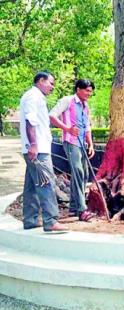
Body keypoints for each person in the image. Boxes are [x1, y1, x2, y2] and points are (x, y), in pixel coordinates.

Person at [19, 71, 68, 232]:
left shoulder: (34, 96)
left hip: (36, 148)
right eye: (51, 83)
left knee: (32, 185)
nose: (52, 87)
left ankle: (30, 219)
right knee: (47, 182)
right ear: (41, 81)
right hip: (38, 149)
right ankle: (51, 220)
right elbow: (30, 121)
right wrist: (34, 144)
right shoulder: (33, 96)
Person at [49, 79, 96, 222]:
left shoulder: (85, 105)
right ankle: (82, 210)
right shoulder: (67, 100)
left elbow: (87, 126)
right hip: (71, 142)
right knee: (78, 172)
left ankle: (74, 207)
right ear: (78, 89)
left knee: (84, 174)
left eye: (91, 91)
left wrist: (91, 144)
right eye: (87, 90)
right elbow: (52, 116)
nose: (89, 93)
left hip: (82, 144)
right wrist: (67, 129)